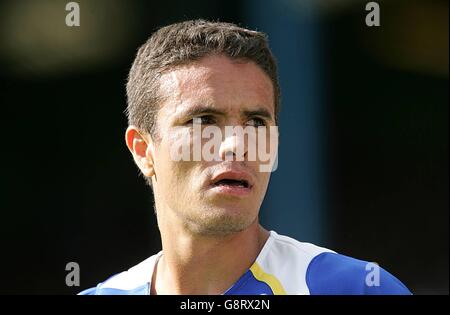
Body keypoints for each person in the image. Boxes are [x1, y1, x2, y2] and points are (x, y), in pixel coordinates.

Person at [79, 19, 411, 295]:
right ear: (143, 150)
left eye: (255, 122)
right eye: (203, 121)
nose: (236, 145)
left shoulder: (357, 289)